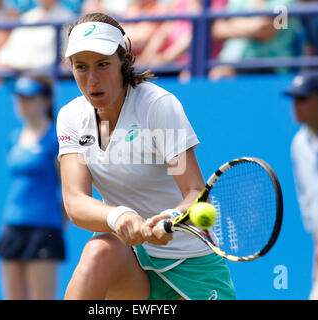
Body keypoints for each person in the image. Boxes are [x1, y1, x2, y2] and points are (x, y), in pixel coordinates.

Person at [56, 12, 236, 300]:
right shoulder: (71, 117)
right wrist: (119, 216)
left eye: (103, 65)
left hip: (188, 260)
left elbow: (193, 191)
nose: (92, 80)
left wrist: (171, 218)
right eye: (81, 67)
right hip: (129, 261)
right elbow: (75, 202)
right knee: (97, 251)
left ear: (123, 59)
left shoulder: (157, 107)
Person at [0, 74, 66, 300]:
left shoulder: (56, 139)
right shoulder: (13, 138)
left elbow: (67, 187)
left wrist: (60, 223)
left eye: (29, 97)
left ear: (46, 101)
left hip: (44, 229)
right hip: (12, 227)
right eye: (19, 97)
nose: (22, 103)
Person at [284, 71, 318, 300]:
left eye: (302, 98)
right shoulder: (299, 144)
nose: (295, 105)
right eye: (293, 99)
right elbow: (308, 200)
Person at [208, 0, 299, 80]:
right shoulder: (237, 2)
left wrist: (233, 24)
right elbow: (217, 29)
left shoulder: (287, 2)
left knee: (222, 76)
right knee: (217, 75)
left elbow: (265, 31)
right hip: (230, 64)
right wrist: (255, 25)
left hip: (269, 67)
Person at [0, 0, 74, 72]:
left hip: (44, 76)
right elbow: (5, 54)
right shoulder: (27, 18)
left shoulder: (68, 18)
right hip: (18, 73)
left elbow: (59, 59)